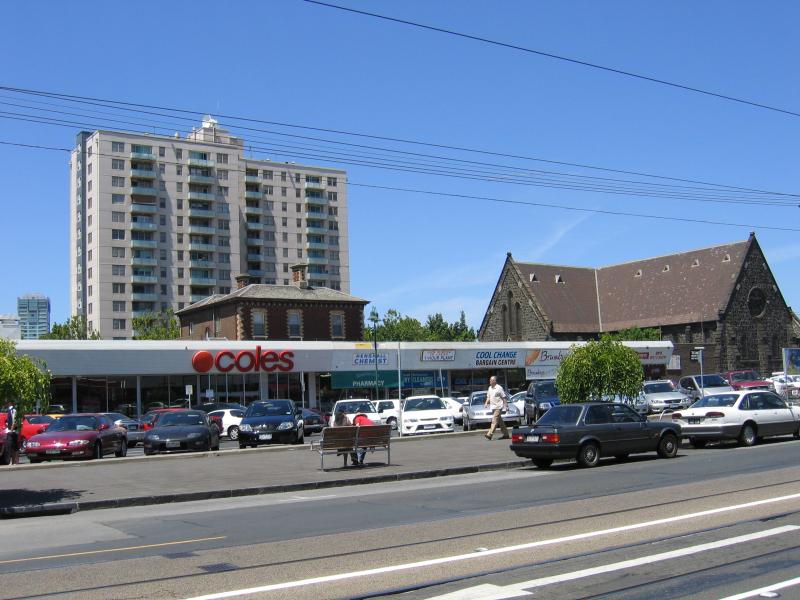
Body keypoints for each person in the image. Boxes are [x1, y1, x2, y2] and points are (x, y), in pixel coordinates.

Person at [484, 376, 510, 441]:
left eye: (491, 380)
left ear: (495, 381)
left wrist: (506, 406)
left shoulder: (499, 388)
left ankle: (489, 434)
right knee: (500, 422)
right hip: (493, 407)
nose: (490, 381)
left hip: (498, 407)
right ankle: (506, 434)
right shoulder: (490, 388)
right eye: (490, 380)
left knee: (494, 421)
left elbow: (504, 397)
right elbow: (488, 397)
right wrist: (486, 403)